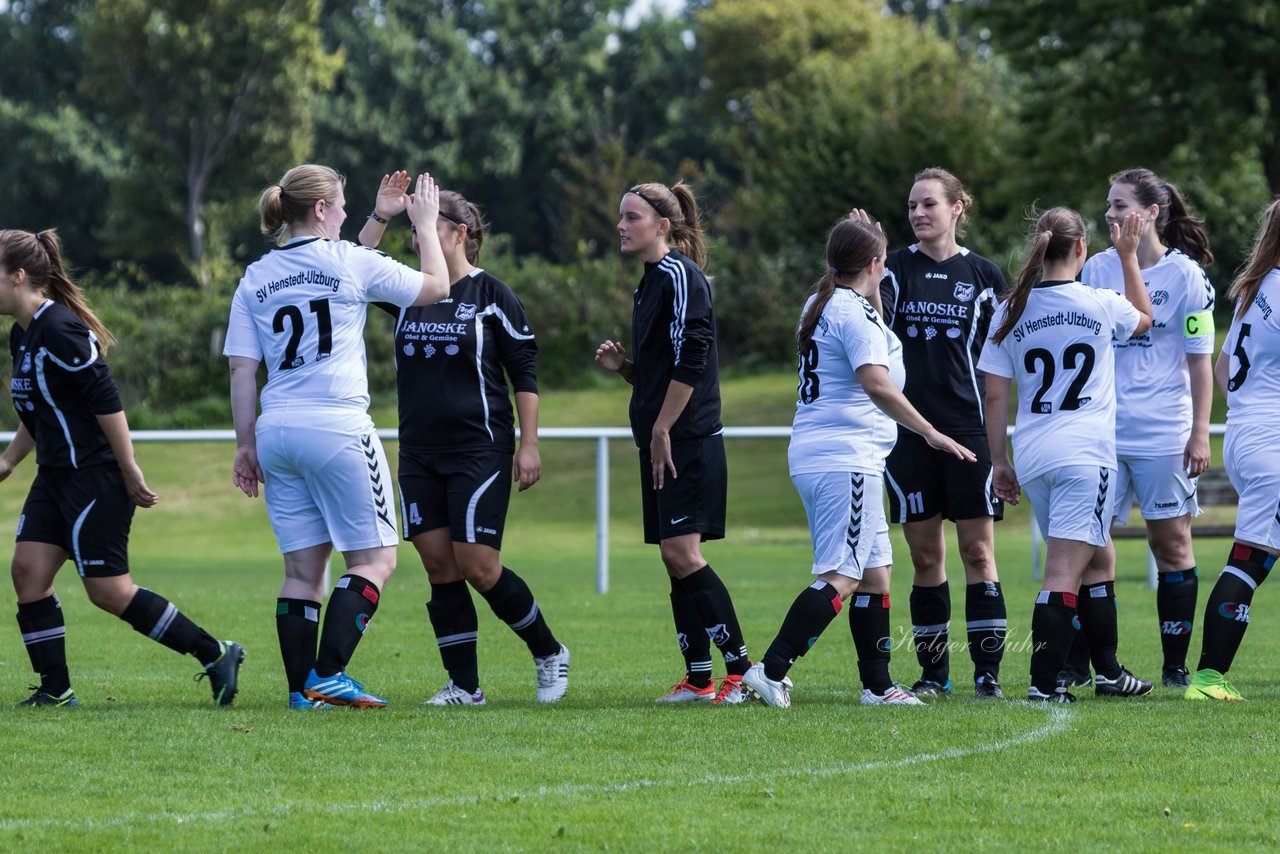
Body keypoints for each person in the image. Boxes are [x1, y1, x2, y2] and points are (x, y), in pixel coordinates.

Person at [225, 164, 450, 709]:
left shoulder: (255, 276)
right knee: (375, 561)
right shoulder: (348, 261)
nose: (348, 214)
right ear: (322, 209)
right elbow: (437, 287)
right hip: (337, 426)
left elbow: (240, 370)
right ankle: (327, 674)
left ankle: (302, 691)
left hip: (277, 430)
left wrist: (246, 445)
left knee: (303, 572)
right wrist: (422, 223)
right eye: (343, 205)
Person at [0, 229, 243, 708]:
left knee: (108, 591)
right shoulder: (22, 334)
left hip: (95, 477)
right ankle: (55, 689)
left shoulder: (59, 329)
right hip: (54, 478)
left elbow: (106, 401)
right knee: (28, 572)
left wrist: (129, 470)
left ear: (18, 276)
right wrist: (9, 459)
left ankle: (215, 653)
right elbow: (40, 412)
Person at [741, 215, 975, 708]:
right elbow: (876, 382)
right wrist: (930, 432)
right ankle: (771, 668)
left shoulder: (824, 301)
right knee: (843, 575)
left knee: (876, 575)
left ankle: (877, 686)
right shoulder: (852, 313)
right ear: (874, 264)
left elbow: (868, 322)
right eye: (882, 259)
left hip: (828, 455)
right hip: (844, 458)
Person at [358, 173, 569, 705]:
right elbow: (352, 263)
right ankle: (465, 686)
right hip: (420, 454)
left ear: (460, 231)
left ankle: (548, 652)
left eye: (429, 222)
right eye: (414, 224)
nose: (417, 233)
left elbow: (523, 373)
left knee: (478, 564)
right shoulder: (409, 291)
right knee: (438, 567)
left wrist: (529, 444)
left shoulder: (492, 294)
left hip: (480, 451)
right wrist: (382, 214)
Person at [979, 208, 1154, 702]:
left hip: (1036, 455)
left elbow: (995, 397)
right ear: (1081, 249)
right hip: (1084, 455)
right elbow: (1146, 320)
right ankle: (1044, 682)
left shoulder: (1011, 307)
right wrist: (1127, 257)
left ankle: (1109, 672)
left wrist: (1000, 461)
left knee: (1099, 561)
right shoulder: (1099, 303)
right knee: (1062, 574)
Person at [595, 180, 752, 704]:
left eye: (632, 217)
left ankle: (744, 672)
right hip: (661, 440)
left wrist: (663, 429)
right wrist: (628, 369)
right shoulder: (649, 282)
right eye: (621, 216)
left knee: (683, 552)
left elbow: (694, 359)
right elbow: (665, 370)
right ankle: (700, 678)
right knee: (672, 555)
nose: (621, 225)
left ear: (662, 226)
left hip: (685, 440)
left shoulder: (681, 276)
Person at [1070, 168, 1216, 689]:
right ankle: (1086, 662)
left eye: (1119, 205)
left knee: (1172, 545)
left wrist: (1199, 431)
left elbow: (1201, 361)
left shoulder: (1187, 277)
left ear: (1152, 212)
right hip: (1101, 429)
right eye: (1107, 205)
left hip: (1164, 433)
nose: (1109, 214)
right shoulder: (1096, 269)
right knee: (1088, 543)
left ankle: (1175, 666)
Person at [877, 168, 1009, 699]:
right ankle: (934, 675)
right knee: (925, 556)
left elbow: (999, 364)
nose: (918, 214)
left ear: (958, 207)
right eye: (912, 206)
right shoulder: (892, 271)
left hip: (966, 432)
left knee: (978, 554)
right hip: (908, 431)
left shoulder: (984, 276)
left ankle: (988, 676)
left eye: (929, 204)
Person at [1183, 199, 1280, 701]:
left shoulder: (1255, 288)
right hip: (1271, 445)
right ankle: (1206, 679)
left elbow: (1224, 372)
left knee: (1259, 559)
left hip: (1245, 434)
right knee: (1249, 559)